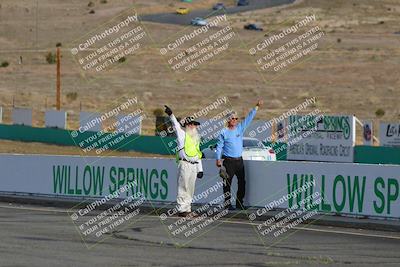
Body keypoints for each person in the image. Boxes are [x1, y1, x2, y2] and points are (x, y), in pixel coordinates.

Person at [215, 100, 263, 210]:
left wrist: (256, 107)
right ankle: (227, 204)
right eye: (233, 118)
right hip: (229, 161)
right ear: (228, 120)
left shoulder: (240, 129)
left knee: (242, 182)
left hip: (239, 161)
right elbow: (219, 146)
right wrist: (218, 159)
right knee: (227, 183)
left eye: (236, 119)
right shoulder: (224, 132)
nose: (235, 120)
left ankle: (239, 203)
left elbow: (249, 118)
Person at [164, 105, 203, 217]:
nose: (193, 126)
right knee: (183, 187)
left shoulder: (196, 139)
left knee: (190, 188)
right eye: (191, 124)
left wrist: (200, 169)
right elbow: (176, 125)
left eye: (194, 125)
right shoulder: (182, 135)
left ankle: (188, 209)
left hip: (193, 166)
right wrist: (171, 114)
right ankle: (182, 210)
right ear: (186, 125)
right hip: (184, 164)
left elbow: (198, 154)